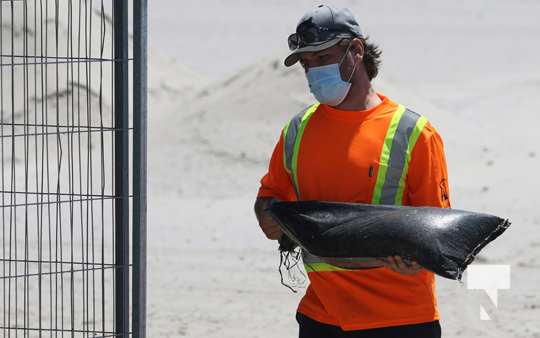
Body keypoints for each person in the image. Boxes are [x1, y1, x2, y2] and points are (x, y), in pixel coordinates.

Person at [254, 4, 451, 338]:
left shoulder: (413, 132)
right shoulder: (298, 131)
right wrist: (269, 217)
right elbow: (269, 200)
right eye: (307, 64)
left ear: (356, 50)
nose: (313, 71)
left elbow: (437, 233)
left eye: (321, 58)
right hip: (320, 318)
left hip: (400, 321)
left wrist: (417, 255)